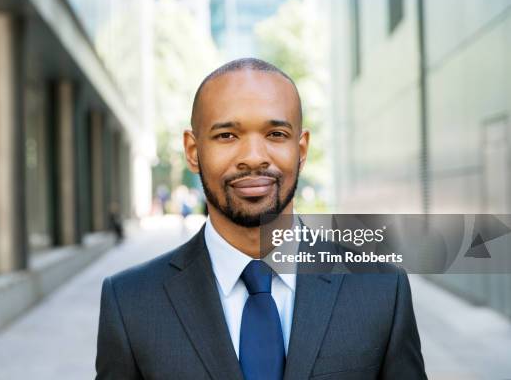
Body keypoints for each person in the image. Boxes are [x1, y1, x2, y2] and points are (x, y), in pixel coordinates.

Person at [95, 58, 427, 379]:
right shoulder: (130, 302)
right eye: (227, 136)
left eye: (276, 135)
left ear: (302, 150)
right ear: (193, 151)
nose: (253, 158)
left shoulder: (382, 288)